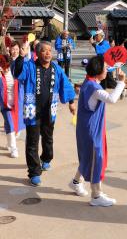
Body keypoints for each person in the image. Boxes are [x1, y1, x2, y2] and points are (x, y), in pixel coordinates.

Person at [13, 41, 76, 186]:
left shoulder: (57, 69)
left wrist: (71, 101)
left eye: (50, 50)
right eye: (44, 51)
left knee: (48, 139)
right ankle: (34, 172)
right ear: (37, 53)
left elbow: (66, 85)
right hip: (32, 110)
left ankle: (46, 158)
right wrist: (21, 58)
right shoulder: (29, 66)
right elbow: (18, 74)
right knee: (32, 142)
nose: (48, 53)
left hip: (49, 110)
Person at [69, 56, 126, 206]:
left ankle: (76, 182)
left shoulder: (89, 82)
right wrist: (121, 82)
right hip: (91, 130)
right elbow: (112, 99)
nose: (107, 70)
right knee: (96, 159)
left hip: (85, 127)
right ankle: (96, 195)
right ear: (98, 70)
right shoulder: (94, 88)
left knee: (88, 157)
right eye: (105, 68)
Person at [0, 54, 25, 158]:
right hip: (5, 105)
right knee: (10, 124)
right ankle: (14, 148)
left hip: (17, 103)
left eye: (6, 66)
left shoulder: (15, 72)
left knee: (16, 128)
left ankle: (9, 142)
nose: (4, 69)